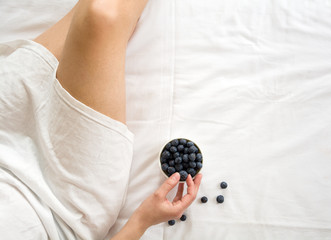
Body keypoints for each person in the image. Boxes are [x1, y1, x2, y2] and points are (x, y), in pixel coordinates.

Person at [0, 0, 202, 239]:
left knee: (90, 11)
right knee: (101, 16)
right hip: (61, 202)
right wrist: (143, 220)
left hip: (5, 135)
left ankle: (120, 31)